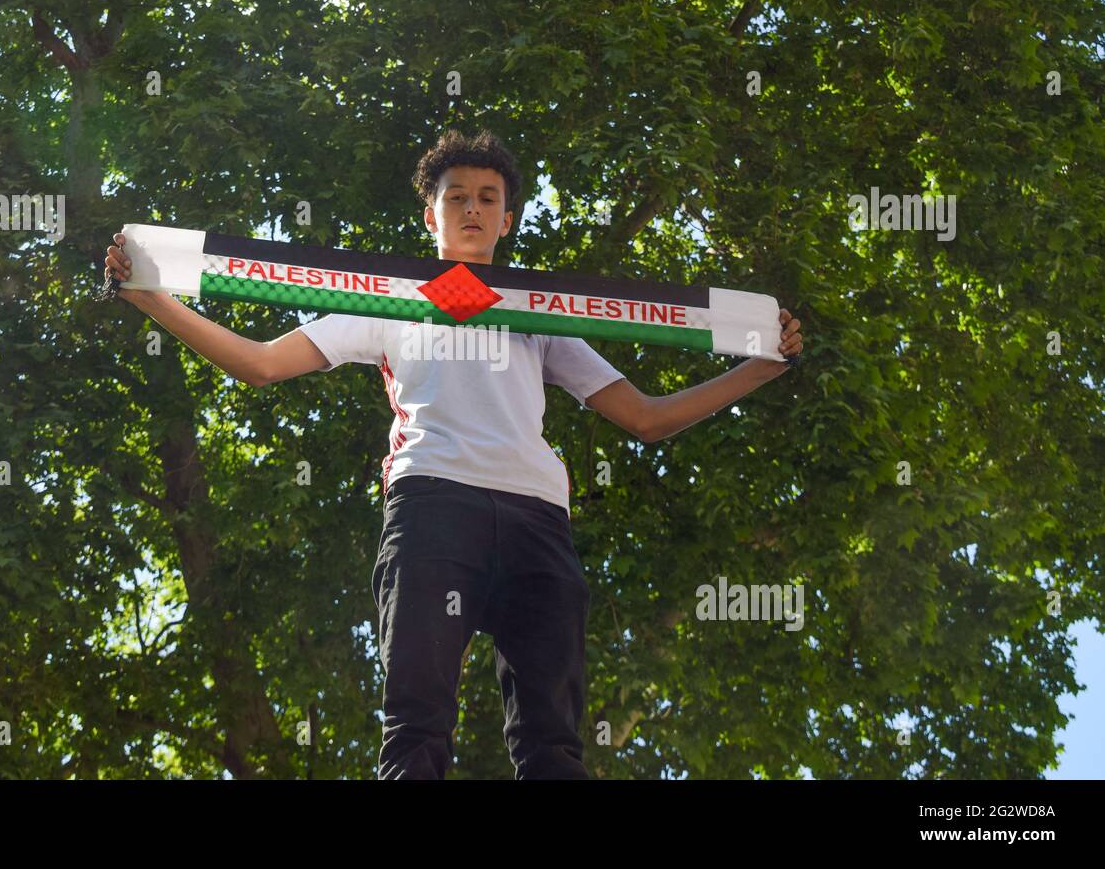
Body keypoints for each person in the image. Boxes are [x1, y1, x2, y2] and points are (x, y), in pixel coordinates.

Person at [104, 129, 803, 779]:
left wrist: (759, 370)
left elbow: (646, 418)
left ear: (507, 220)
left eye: (488, 199)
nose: (472, 208)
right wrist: (151, 299)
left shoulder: (541, 311)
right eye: (456, 197)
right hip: (434, 509)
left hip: (539, 525)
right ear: (430, 217)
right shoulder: (385, 302)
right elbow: (259, 364)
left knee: (553, 739)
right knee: (417, 723)